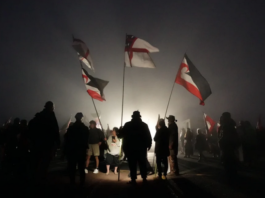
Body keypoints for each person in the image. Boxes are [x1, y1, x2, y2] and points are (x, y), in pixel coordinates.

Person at [28, 101, 60, 181]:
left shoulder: (38, 116)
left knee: (36, 161)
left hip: (37, 143)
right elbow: (55, 129)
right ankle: (41, 179)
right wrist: (58, 142)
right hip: (47, 143)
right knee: (45, 162)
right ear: (51, 107)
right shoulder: (51, 116)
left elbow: (31, 126)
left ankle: (35, 178)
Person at [121, 111, 152, 184]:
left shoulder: (127, 125)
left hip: (130, 148)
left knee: (132, 164)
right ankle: (144, 178)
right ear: (139, 117)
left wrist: (120, 130)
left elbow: (121, 135)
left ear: (132, 117)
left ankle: (133, 179)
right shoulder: (144, 125)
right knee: (142, 163)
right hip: (141, 148)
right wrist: (149, 145)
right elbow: (148, 136)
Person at [64, 113, 89, 186]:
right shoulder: (84, 128)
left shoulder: (71, 128)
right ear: (82, 118)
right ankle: (82, 183)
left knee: (72, 167)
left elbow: (67, 138)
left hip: (72, 149)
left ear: (75, 117)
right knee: (81, 167)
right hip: (81, 149)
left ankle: (72, 182)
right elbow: (87, 138)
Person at [218, 112, 240, 178]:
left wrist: (221, 142)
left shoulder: (228, 126)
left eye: (223, 116)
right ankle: (231, 174)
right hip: (227, 147)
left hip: (228, 147)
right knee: (228, 162)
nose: (221, 118)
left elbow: (226, 137)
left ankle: (231, 176)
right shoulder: (225, 125)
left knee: (229, 162)